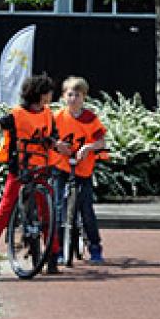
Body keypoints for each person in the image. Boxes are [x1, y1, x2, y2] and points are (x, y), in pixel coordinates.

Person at [0, 74, 69, 273]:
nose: (51, 96)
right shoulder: (17, 113)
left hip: (42, 167)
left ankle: (52, 254)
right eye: (49, 92)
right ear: (41, 95)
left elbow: (52, 136)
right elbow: (0, 122)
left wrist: (58, 145)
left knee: (47, 212)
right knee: (7, 206)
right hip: (20, 168)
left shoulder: (48, 114)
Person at [52, 76, 107, 264]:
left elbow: (101, 141)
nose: (73, 98)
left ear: (84, 97)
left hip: (83, 169)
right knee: (59, 207)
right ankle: (58, 249)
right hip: (62, 167)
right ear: (63, 97)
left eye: (77, 95)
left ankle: (95, 247)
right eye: (70, 94)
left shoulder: (90, 119)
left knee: (86, 209)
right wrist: (57, 145)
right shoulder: (57, 117)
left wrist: (88, 148)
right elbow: (49, 138)